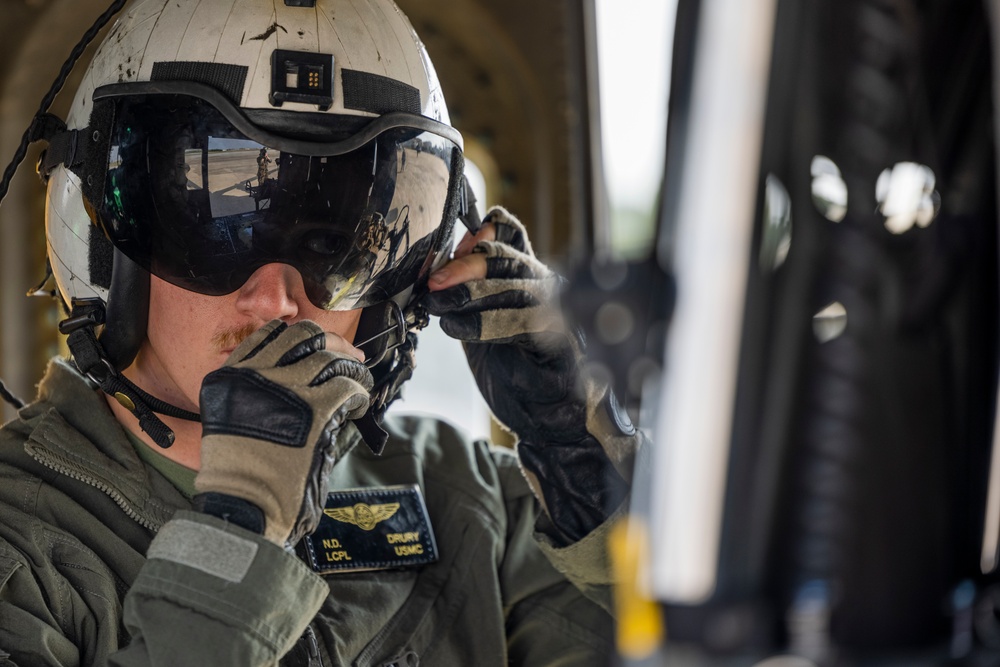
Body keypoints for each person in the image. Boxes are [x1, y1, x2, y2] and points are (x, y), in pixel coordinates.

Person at [0, 0, 640, 664]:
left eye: (340, 249)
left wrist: (590, 471)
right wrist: (237, 534)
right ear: (104, 245)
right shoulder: (19, 545)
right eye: (216, 233)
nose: (279, 301)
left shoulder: (469, 501)